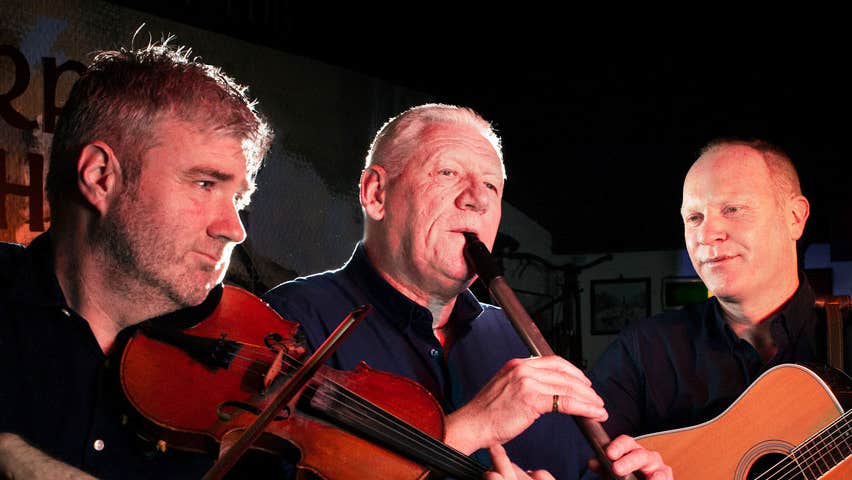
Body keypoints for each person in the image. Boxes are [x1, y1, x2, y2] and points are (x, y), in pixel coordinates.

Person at [263, 104, 671, 479]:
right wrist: (469, 428)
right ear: (376, 193)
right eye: (448, 173)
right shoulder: (288, 320)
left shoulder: (518, 341)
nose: (477, 198)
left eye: (492, 187)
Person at [0, 39, 272, 478]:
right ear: (100, 177)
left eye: (238, 198)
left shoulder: (232, 395)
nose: (234, 229)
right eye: (205, 184)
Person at [590, 138, 828, 439]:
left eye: (732, 209)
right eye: (694, 218)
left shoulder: (842, 337)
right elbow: (582, 466)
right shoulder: (641, 351)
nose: (706, 234)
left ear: (794, 217)